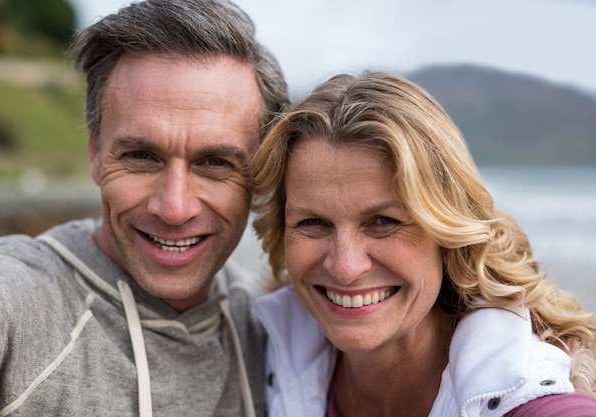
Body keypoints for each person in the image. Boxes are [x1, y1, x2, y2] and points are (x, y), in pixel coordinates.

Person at [0, 0, 289, 416]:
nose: (174, 208)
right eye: (141, 155)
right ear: (95, 154)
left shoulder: (276, 331)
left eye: (215, 163)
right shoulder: (3, 305)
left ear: (261, 174)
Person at [250, 71, 596, 416]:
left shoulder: (528, 397)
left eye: (384, 222)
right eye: (313, 222)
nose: (345, 267)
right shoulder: (259, 351)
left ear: (448, 235)